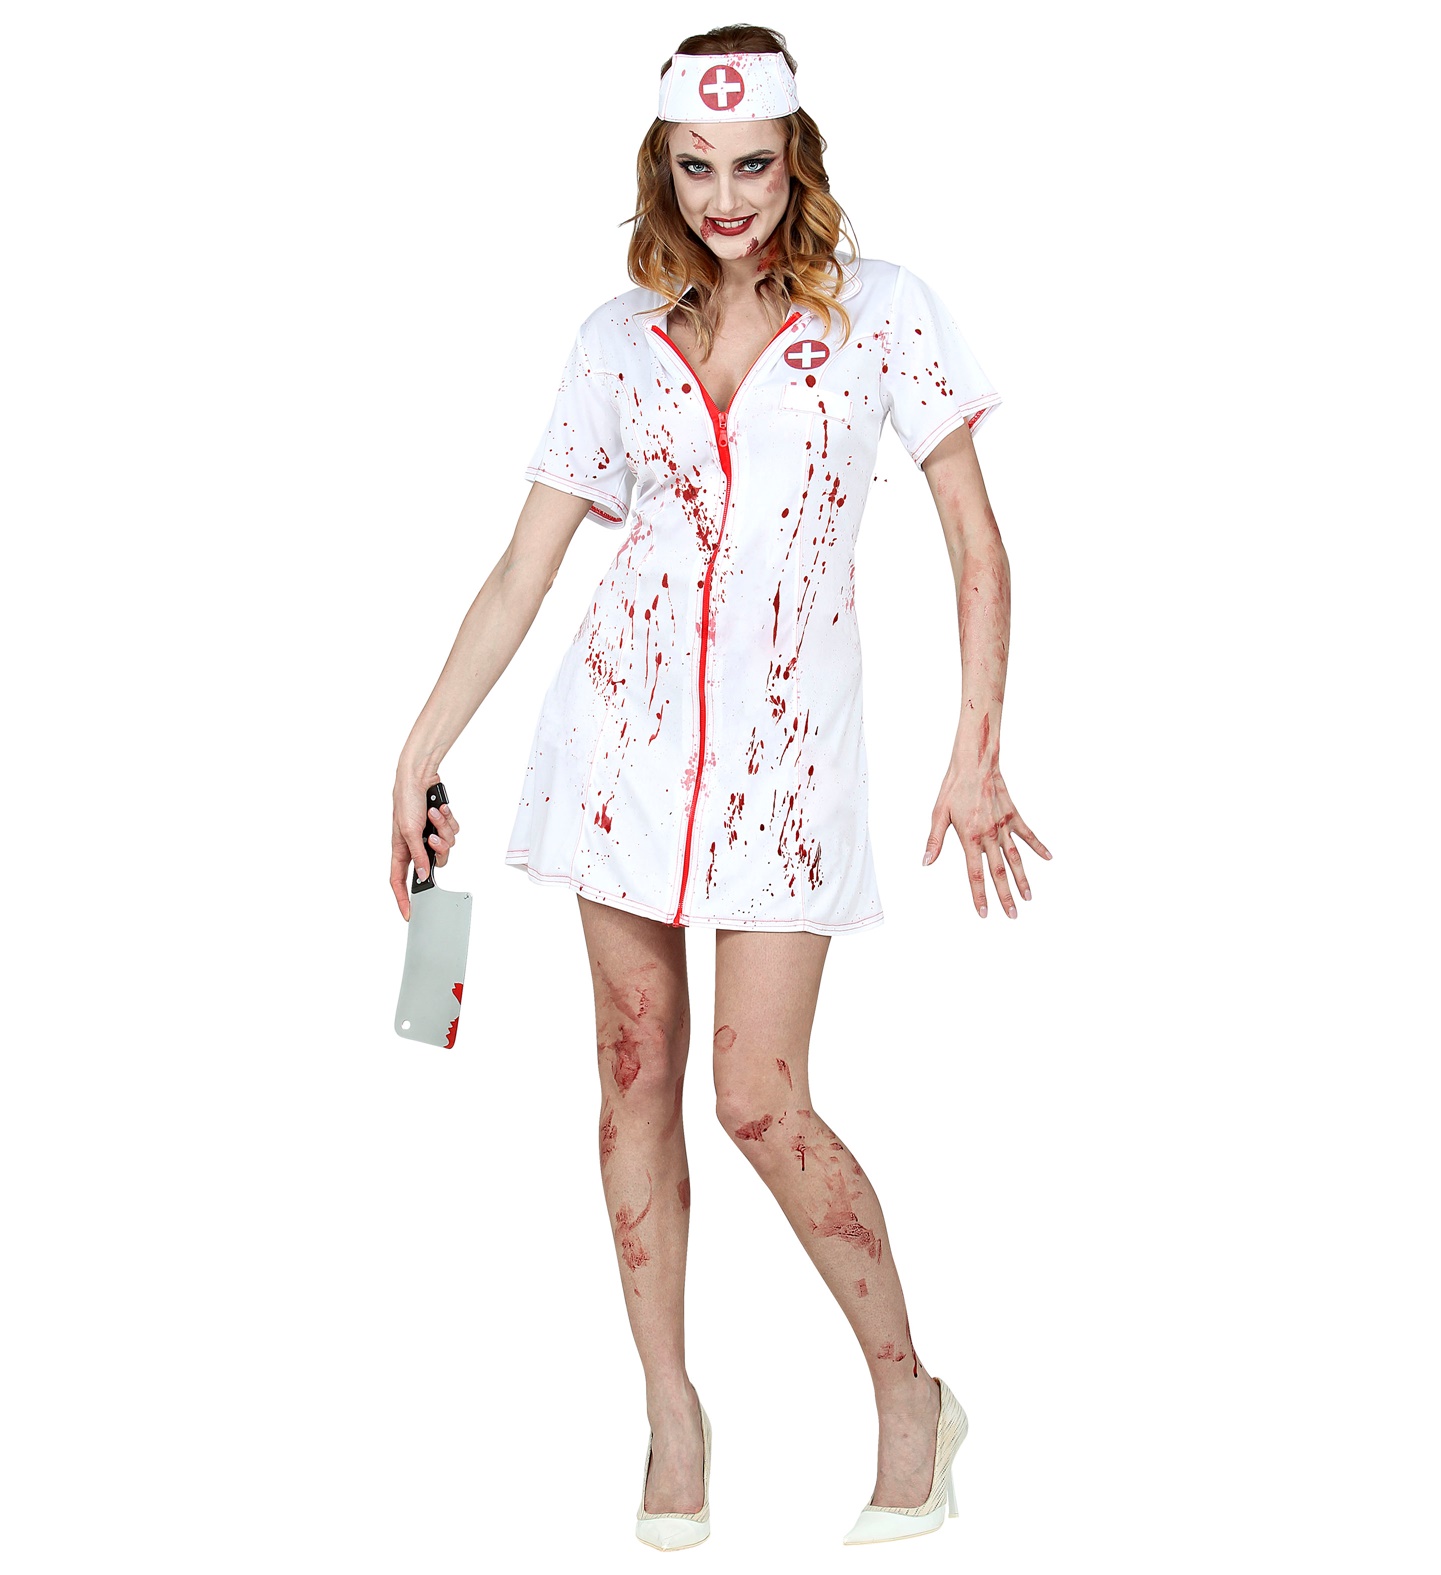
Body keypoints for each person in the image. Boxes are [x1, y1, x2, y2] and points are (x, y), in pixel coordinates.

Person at [390, 23, 1050, 1549]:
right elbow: (523, 570)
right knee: (631, 1078)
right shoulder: (614, 340)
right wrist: (418, 748)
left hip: (785, 774)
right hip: (612, 757)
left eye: (752, 165)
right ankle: (669, 1409)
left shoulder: (882, 314)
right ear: (664, 164)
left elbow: (974, 542)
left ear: (795, 157)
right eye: (698, 167)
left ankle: (908, 1390)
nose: (727, 198)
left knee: (755, 1097)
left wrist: (976, 745)